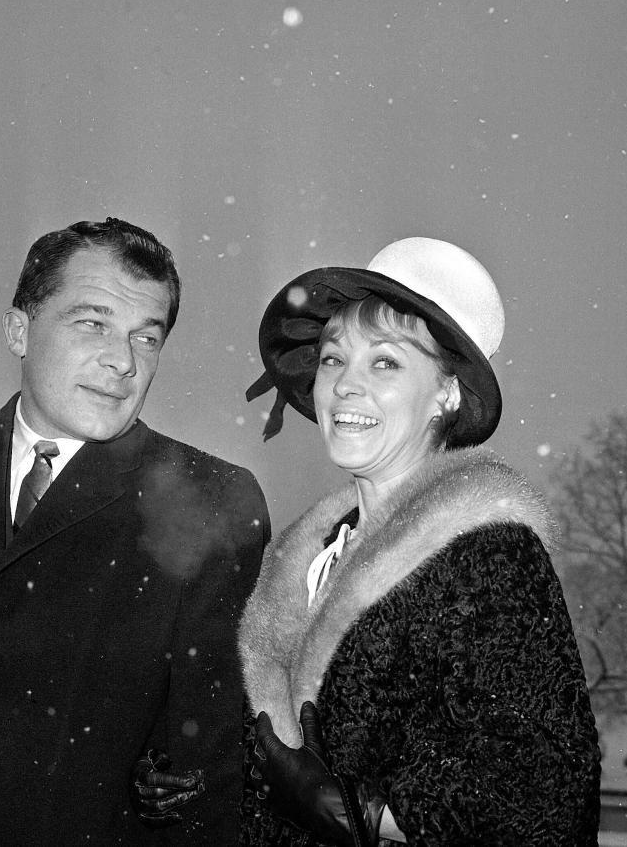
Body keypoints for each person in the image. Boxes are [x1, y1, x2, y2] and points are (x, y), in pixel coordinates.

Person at [0, 218, 270, 847]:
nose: (122, 361)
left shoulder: (213, 503)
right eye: (92, 323)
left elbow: (210, 772)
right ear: (19, 330)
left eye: (146, 338)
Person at [238, 237, 600, 846]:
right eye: (333, 359)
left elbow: (546, 791)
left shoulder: (486, 554)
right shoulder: (310, 555)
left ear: (447, 393)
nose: (345, 385)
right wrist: (199, 779)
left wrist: (367, 812)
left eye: (385, 362)